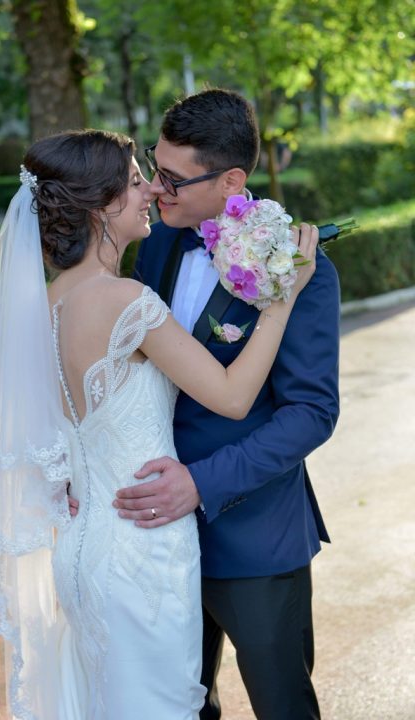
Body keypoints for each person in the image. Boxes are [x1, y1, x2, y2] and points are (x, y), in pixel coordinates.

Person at [0, 127, 318, 720]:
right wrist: (283, 298)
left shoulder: (48, 303)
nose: (151, 191)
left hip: (82, 548)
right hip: (141, 550)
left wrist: (68, 486)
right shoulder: (124, 300)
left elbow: (53, 432)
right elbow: (234, 396)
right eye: (135, 182)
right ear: (101, 206)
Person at [112, 89, 340, 719]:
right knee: (180, 703)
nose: (156, 189)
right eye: (155, 168)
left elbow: (311, 413)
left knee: (281, 703)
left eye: (173, 178)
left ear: (232, 180)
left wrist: (201, 484)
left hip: (254, 534)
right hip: (153, 530)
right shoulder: (159, 241)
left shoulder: (299, 266)